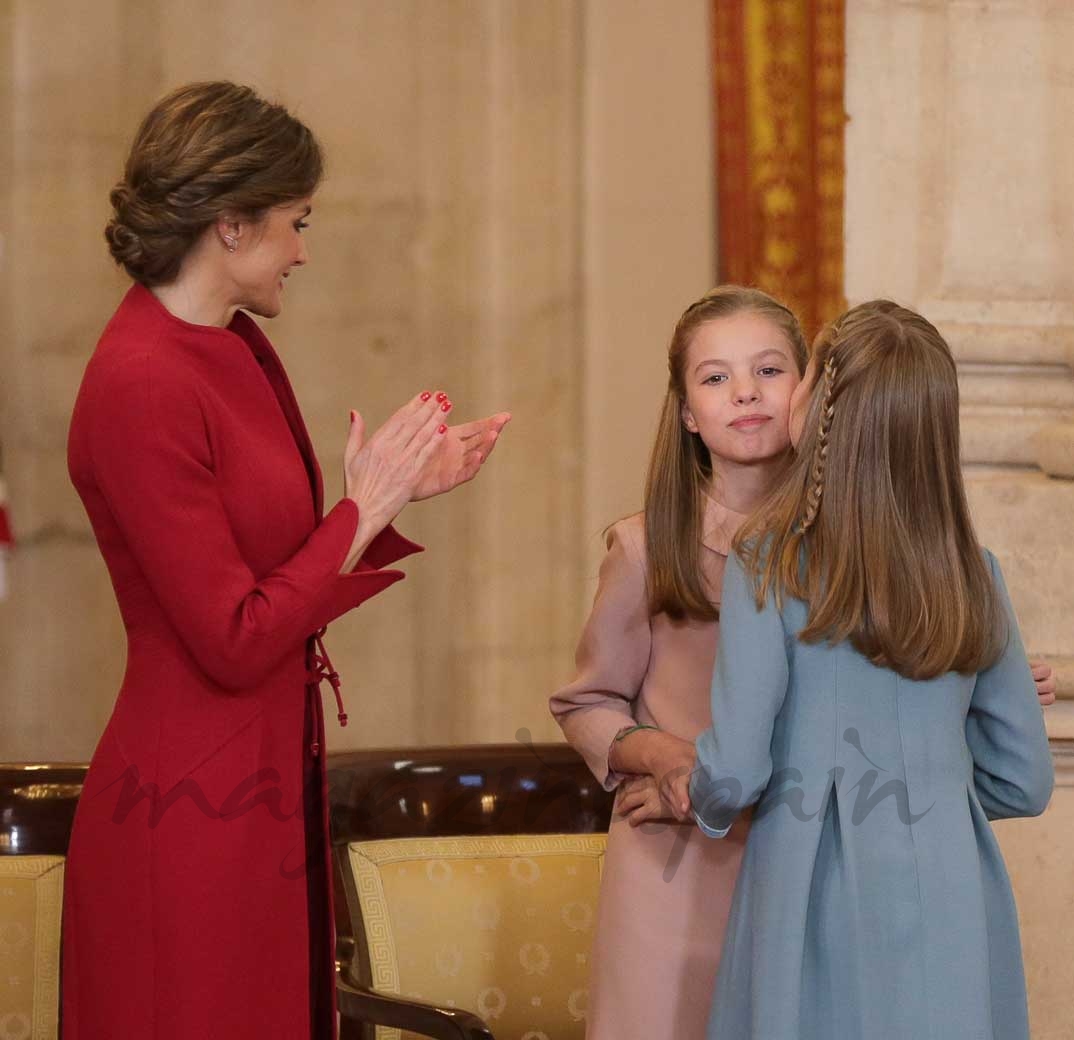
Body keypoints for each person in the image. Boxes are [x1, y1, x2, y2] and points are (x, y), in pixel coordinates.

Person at [64, 81, 509, 1040]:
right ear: (231, 223)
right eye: (295, 223)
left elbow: (270, 575)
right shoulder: (140, 382)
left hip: (257, 787)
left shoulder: (237, 346)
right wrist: (363, 506)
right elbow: (231, 639)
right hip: (184, 815)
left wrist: (390, 500)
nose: (304, 249)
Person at [689, 301, 1054, 1040]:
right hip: (954, 891)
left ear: (822, 406)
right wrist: (938, 800)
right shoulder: (973, 575)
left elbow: (734, 769)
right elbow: (1025, 777)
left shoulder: (767, 564)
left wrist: (703, 802)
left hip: (810, 885)